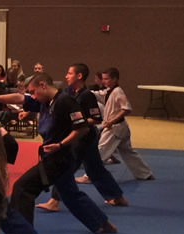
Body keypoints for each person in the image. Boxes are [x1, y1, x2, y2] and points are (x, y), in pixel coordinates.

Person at [0, 74, 117, 234]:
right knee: (70, 194)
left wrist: (60, 144)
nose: (33, 96)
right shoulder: (44, 101)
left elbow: (83, 128)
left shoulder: (64, 101)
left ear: (43, 85)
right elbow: (19, 98)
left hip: (60, 157)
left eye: (34, 91)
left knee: (22, 188)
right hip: (53, 156)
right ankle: (104, 224)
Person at [37, 64, 128, 212]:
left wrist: (77, 124)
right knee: (95, 169)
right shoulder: (67, 93)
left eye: (69, 73)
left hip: (85, 138)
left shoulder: (87, 95)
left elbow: (96, 118)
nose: (66, 76)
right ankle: (118, 196)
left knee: (66, 169)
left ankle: (54, 201)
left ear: (79, 76)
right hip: (77, 138)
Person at [80, 68, 154, 182]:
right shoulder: (109, 91)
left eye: (106, 79)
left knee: (100, 150)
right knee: (128, 152)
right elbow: (98, 95)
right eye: (103, 79)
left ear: (114, 79)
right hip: (121, 127)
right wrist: (83, 91)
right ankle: (145, 174)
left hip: (115, 127)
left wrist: (111, 121)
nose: (103, 81)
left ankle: (89, 176)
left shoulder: (118, 91)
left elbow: (127, 109)